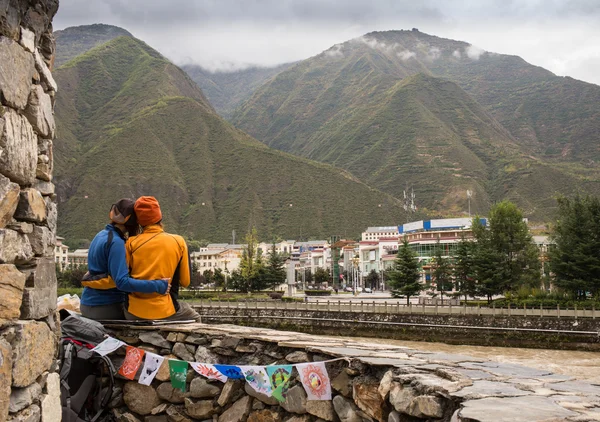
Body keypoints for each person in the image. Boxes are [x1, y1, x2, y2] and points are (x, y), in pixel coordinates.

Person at [80, 199, 170, 320]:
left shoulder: (101, 234)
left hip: (87, 304)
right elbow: (122, 282)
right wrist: (158, 285)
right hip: (105, 306)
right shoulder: (116, 243)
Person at [124, 196, 201, 321]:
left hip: (133, 311)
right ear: (160, 217)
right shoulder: (178, 241)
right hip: (165, 311)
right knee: (195, 318)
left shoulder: (130, 243)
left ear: (138, 221)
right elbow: (185, 282)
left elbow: (123, 278)